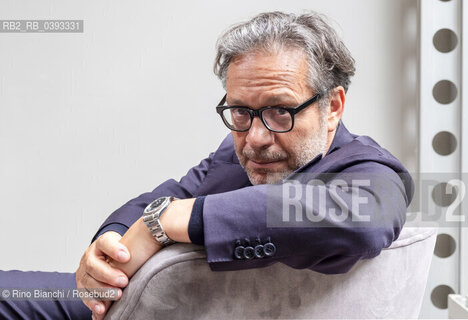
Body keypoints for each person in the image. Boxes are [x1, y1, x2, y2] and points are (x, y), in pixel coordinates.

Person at [0, 11, 413, 320]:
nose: (255, 138)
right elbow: (168, 196)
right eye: (239, 113)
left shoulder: (371, 172)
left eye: (281, 112)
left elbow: (361, 219)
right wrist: (110, 247)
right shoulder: (239, 150)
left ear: (333, 106)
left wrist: (173, 220)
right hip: (130, 304)